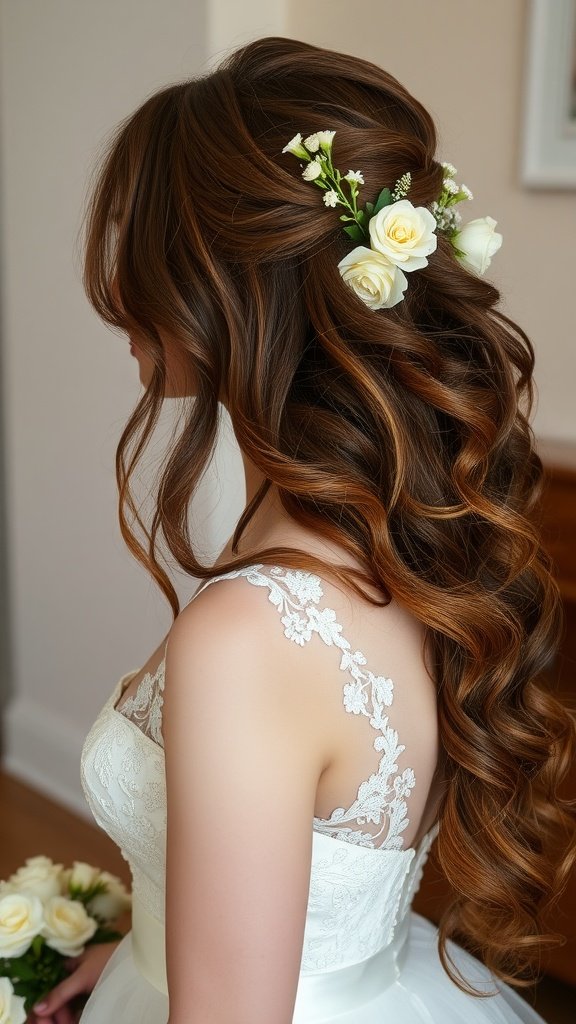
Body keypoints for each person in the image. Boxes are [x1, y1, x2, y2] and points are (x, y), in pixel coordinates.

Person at [29, 34, 575, 1024]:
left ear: (221, 281)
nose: (114, 279)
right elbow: (314, 879)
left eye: (139, 237)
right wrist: (147, 944)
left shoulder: (253, 632)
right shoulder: (388, 527)